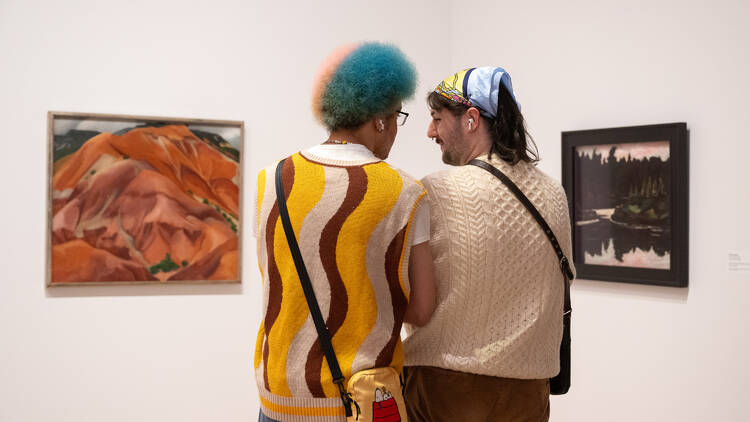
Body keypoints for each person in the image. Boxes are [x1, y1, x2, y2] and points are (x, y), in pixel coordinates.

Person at [253, 42, 436, 422]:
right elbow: (421, 309)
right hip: (361, 405)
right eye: (398, 116)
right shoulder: (404, 191)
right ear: (380, 119)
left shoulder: (270, 180)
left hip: (278, 399)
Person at [402, 67, 575, 422]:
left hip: (445, 385)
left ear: (471, 118)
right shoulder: (553, 193)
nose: (431, 131)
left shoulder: (436, 190)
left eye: (437, 118)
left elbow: (412, 296)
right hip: (529, 391)